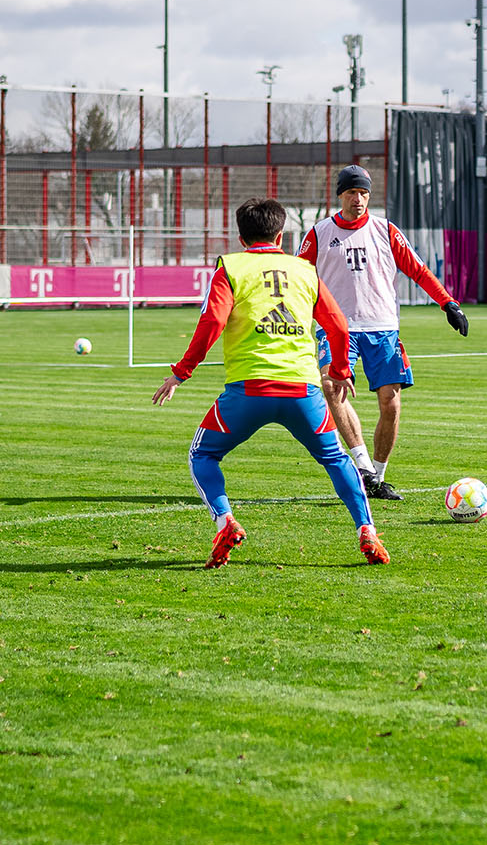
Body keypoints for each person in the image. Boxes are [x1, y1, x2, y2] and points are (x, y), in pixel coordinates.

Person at [151, 197, 388, 568]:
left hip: (248, 391)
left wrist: (182, 372)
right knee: (336, 460)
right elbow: (339, 325)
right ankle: (367, 531)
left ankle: (224, 520)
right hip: (302, 390)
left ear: (241, 236)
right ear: (281, 234)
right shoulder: (304, 271)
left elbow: (211, 323)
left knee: (203, 455)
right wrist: (341, 369)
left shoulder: (231, 267)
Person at [296, 165, 469, 501]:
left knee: (390, 404)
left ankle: (378, 474)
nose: (357, 199)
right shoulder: (318, 233)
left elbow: (417, 270)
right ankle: (362, 466)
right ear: (340, 195)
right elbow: (297, 276)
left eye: (363, 193)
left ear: (369, 196)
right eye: (351, 193)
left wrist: (448, 304)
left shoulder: (385, 230)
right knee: (332, 387)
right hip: (337, 329)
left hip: (383, 329)